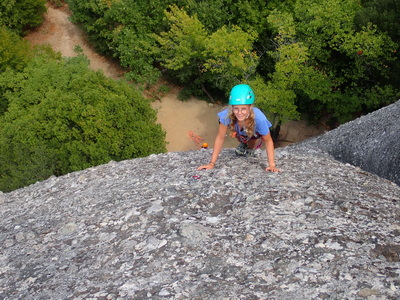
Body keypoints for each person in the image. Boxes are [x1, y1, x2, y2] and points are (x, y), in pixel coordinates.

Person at [197, 84, 282, 172]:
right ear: (232, 107)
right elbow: (220, 137)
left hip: (254, 131)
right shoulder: (227, 115)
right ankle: (243, 143)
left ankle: (250, 149)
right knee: (240, 136)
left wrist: (272, 165)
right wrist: (212, 163)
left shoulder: (259, 119)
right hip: (238, 129)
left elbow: (268, 140)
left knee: (252, 138)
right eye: (236, 108)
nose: (240, 113)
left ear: (250, 107)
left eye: (243, 109)